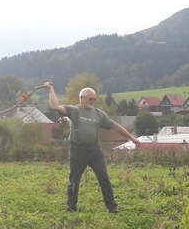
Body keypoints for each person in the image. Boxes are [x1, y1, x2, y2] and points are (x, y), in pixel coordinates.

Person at [46, 83, 140, 213]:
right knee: (74, 180)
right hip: (77, 150)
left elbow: (115, 126)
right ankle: (71, 208)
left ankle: (112, 207)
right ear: (81, 98)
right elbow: (55, 106)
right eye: (90, 99)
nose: (93, 101)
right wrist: (51, 89)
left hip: (94, 150)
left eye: (94, 99)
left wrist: (131, 137)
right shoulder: (74, 110)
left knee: (104, 178)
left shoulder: (99, 114)